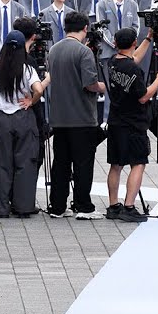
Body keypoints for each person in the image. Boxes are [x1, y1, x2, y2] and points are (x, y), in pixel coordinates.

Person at [44, 11, 105, 219]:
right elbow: (89, 84)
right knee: (83, 164)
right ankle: (83, 206)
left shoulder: (54, 50)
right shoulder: (84, 52)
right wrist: (103, 87)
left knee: (60, 163)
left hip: (59, 117)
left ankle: (57, 206)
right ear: (85, 28)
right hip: (82, 117)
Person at [0, 29, 46, 218]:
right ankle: (23, 208)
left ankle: (2, 209)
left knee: (1, 165)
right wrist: (31, 101)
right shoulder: (27, 70)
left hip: (1, 119)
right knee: (25, 164)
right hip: (23, 118)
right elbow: (39, 90)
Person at [104, 27, 158, 223]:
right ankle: (129, 206)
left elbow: (133, 58)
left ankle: (113, 206)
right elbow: (143, 97)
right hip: (133, 123)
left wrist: (148, 38)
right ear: (133, 43)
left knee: (116, 164)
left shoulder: (113, 62)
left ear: (115, 43)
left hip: (115, 121)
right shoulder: (133, 70)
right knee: (138, 163)